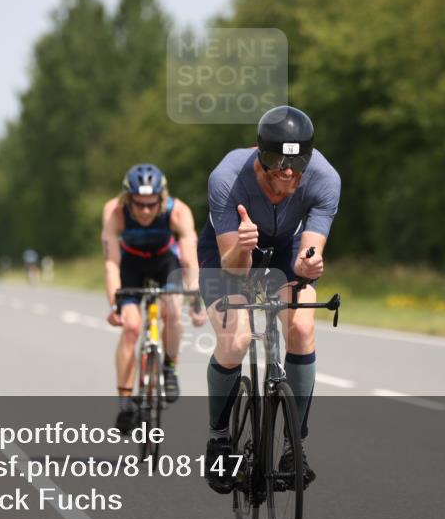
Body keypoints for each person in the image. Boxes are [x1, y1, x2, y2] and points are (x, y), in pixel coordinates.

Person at [197, 105, 340, 494]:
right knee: (236, 338)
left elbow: (308, 251)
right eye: (278, 163)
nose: (287, 173)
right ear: (260, 156)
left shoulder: (325, 179)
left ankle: (295, 446)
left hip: (283, 246)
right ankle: (219, 438)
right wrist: (243, 246)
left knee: (302, 324)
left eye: (296, 163)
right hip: (229, 252)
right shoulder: (227, 178)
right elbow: (234, 269)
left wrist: (309, 265)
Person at [102, 164, 206, 432]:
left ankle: (170, 368)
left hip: (165, 262)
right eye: (139, 205)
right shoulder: (114, 211)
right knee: (132, 326)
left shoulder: (178, 211)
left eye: (152, 204)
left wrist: (195, 297)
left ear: (162, 199)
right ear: (128, 200)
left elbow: (189, 259)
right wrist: (115, 304)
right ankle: (125, 402)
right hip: (131, 265)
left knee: (172, 309)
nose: (146, 211)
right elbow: (111, 263)